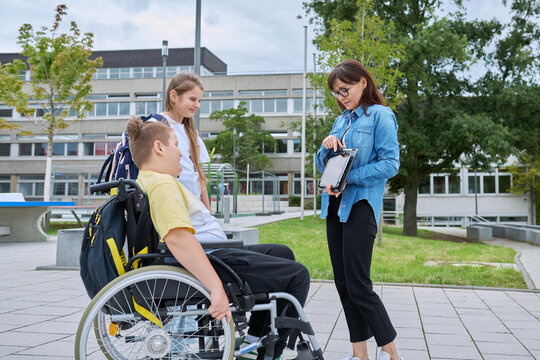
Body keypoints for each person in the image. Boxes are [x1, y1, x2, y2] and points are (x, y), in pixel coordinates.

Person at [126, 116, 309, 360]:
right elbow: (179, 239)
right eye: (176, 145)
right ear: (159, 148)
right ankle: (269, 352)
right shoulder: (162, 185)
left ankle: (254, 340)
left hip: (210, 252)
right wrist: (216, 290)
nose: (182, 153)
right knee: (297, 276)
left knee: (281, 253)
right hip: (208, 259)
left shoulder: (150, 181)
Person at [316, 59, 402, 360]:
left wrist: (349, 179)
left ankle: (393, 354)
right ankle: (359, 355)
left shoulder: (381, 115)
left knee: (359, 285)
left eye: (345, 89)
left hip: (360, 207)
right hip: (333, 207)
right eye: (336, 93)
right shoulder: (341, 120)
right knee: (343, 284)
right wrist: (325, 148)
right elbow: (323, 164)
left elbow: (390, 164)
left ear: (363, 82)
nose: (342, 97)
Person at [161, 73, 212, 211]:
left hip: (194, 207)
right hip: (171, 207)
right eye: (192, 99)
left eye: (200, 101)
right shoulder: (157, 126)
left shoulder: (192, 133)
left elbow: (198, 175)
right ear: (174, 96)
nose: (197, 105)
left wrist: (207, 211)